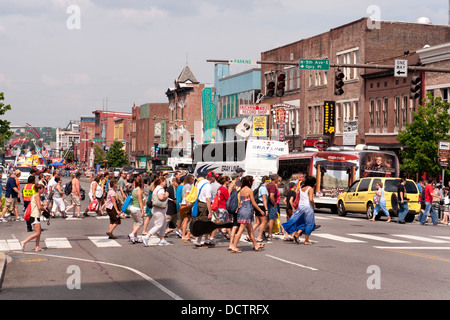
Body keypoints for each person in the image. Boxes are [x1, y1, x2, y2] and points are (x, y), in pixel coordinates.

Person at [229, 176, 265, 253]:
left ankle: (255, 245)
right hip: (247, 211)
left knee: (250, 230)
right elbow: (253, 202)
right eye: (252, 181)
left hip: (242, 210)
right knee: (241, 229)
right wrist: (260, 210)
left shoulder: (241, 189)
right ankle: (234, 246)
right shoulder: (249, 190)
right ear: (249, 182)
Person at [282, 176, 317, 245]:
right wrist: (313, 205)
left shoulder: (301, 188)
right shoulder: (310, 189)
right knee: (309, 224)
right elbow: (310, 199)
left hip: (300, 207)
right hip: (308, 207)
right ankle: (306, 240)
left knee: (301, 222)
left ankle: (297, 233)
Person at [143, 177, 171, 246]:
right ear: (161, 182)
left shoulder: (157, 188)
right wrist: (166, 195)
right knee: (159, 225)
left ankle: (162, 239)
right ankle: (147, 236)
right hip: (159, 210)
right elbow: (161, 197)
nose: (165, 183)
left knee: (163, 225)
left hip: (159, 210)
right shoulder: (161, 189)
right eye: (164, 181)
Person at [21, 184, 47, 252]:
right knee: (37, 233)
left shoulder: (34, 196)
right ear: (39, 189)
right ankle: (24, 242)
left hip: (35, 216)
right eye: (42, 189)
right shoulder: (37, 196)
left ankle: (37, 247)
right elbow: (39, 207)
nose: (43, 190)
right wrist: (44, 209)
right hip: (35, 216)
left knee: (39, 232)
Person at [128, 176, 145, 244]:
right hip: (137, 208)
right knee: (140, 222)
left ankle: (135, 237)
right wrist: (143, 211)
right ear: (141, 183)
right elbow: (140, 202)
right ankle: (132, 234)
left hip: (132, 208)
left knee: (135, 222)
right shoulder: (139, 191)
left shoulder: (134, 190)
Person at [252, 175, 269, 243]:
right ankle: (259, 237)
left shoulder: (260, 187)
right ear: (266, 181)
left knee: (257, 222)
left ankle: (248, 235)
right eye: (268, 181)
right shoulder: (264, 188)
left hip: (257, 206)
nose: (269, 182)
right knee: (263, 222)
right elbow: (264, 199)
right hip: (262, 206)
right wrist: (266, 209)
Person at [180, 174, 194, 242]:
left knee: (187, 220)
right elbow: (186, 195)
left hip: (184, 203)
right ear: (189, 179)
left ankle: (187, 233)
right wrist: (188, 204)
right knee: (186, 220)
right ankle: (183, 235)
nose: (193, 180)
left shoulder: (185, 185)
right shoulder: (188, 186)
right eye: (192, 179)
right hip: (186, 204)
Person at [266, 174, 280, 240]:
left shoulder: (269, 185)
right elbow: (271, 196)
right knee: (271, 219)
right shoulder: (272, 186)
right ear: (276, 179)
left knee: (270, 219)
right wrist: (274, 204)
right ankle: (269, 234)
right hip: (271, 204)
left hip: (268, 203)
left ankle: (265, 231)